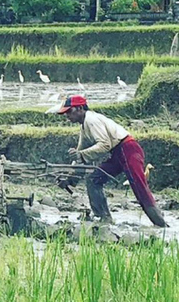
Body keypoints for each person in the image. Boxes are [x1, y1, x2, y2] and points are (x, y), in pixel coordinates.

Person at [58, 95, 167, 227]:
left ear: (80, 108)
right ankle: (103, 218)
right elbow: (81, 157)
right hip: (117, 154)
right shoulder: (84, 126)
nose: (67, 115)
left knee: (139, 188)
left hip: (128, 149)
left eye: (69, 111)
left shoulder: (92, 120)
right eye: (65, 113)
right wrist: (70, 179)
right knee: (94, 179)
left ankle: (161, 225)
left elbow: (104, 145)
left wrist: (80, 154)